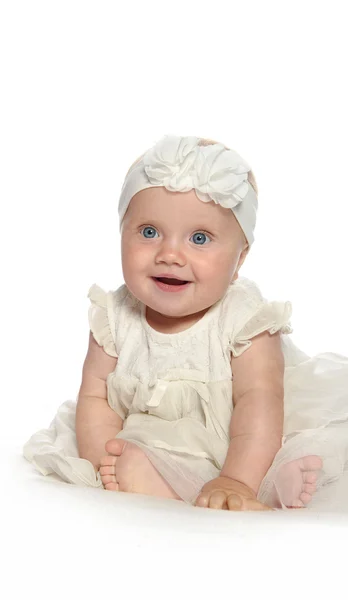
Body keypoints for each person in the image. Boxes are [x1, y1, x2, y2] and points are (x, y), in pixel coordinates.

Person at [23, 134, 348, 510]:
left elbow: (259, 401)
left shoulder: (244, 320)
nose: (170, 254)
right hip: (161, 436)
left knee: (284, 444)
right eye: (149, 232)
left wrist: (236, 479)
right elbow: (96, 398)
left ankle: (268, 482)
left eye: (199, 238)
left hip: (249, 433)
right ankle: (153, 475)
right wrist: (103, 462)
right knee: (142, 452)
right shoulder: (114, 318)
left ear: (239, 260)